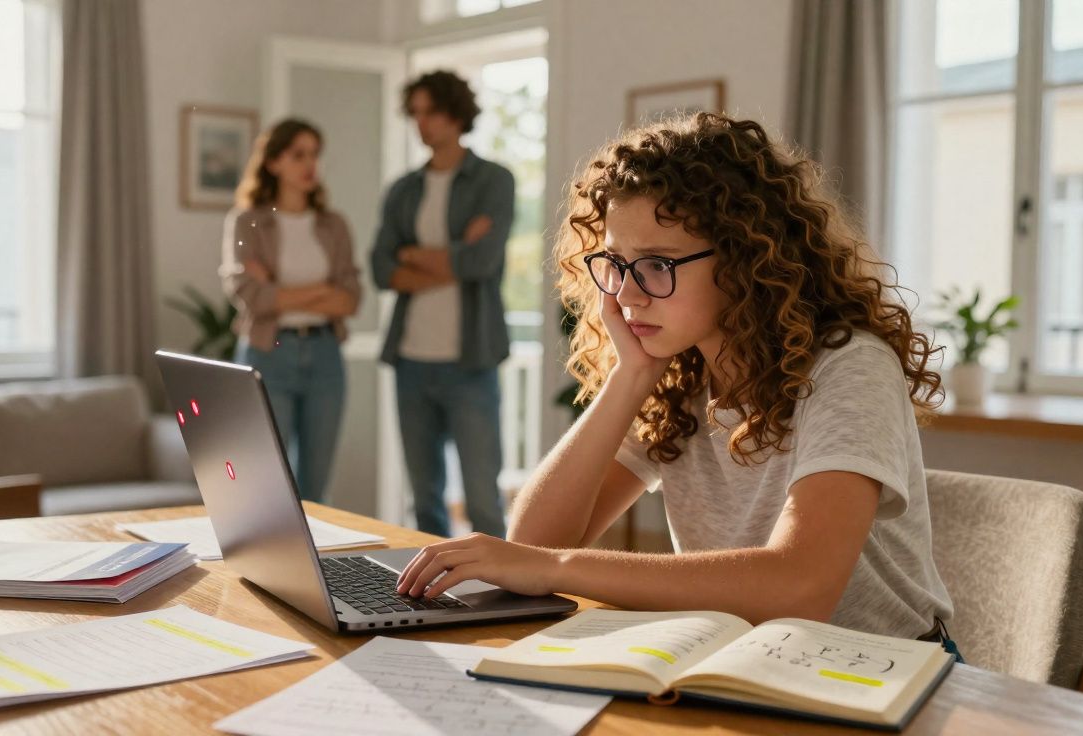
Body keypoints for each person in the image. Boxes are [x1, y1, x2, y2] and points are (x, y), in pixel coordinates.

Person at [395, 112, 957, 644]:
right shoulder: (680, 378)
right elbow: (532, 544)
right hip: (747, 659)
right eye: (617, 264)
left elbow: (801, 588)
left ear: (745, 260)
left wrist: (558, 567)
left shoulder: (849, 366)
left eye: (657, 265)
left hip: (883, 673)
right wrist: (630, 376)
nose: (626, 293)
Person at [371, 70, 516, 538]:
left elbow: (483, 262)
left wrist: (412, 254)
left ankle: (498, 581)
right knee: (424, 499)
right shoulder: (403, 190)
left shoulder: (493, 180)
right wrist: (455, 253)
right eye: (415, 113)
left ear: (456, 113)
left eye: (430, 111)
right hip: (410, 361)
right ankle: (433, 582)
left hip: (471, 360)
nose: (421, 123)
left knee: (482, 499)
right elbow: (381, 268)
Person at [221, 118, 361, 503]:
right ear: (273, 162)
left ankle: (314, 546)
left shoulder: (334, 225)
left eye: (314, 154)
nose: (310, 164)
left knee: (315, 487)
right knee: (268, 482)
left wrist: (278, 288)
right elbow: (252, 296)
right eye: (298, 155)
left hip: (325, 353)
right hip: (269, 352)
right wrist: (322, 289)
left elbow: (350, 299)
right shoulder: (247, 222)